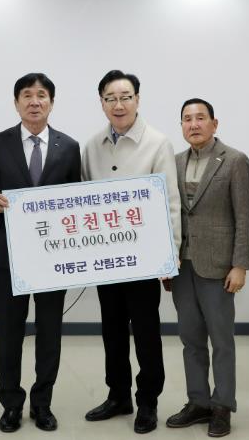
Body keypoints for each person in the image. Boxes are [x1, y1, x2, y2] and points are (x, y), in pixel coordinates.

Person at [82, 69, 181, 434]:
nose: (119, 104)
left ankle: (148, 400)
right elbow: (83, 200)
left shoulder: (158, 143)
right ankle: (118, 395)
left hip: (144, 258)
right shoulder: (92, 146)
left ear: (138, 100)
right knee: (111, 330)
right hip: (106, 259)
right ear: (102, 103)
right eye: (111, 98)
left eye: (125, 97)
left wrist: (170, 254)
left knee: (145, 331)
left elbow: (171, 203)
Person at [0, 73, 81, 433]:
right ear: (16, 103)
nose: (34, 101)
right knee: (10, 332)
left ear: (51, 102)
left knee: (50, 331)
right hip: (11, 255)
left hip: (53, 258)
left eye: (41, 95)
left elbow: (76, 200)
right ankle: (11, 403)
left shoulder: (69, 147)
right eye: (27, 95)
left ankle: (42, 403)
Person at [166, 98, 249, 437]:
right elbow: (168, 214)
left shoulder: (234, 160)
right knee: (190, 339)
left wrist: (240, 265)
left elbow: (244, 218)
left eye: (200, 117)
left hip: (218, 268)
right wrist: (164, 260)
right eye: (187, 119)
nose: (194, 124)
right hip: (182, 266)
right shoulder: (173, 162)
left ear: (214, 124)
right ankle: (198, 402)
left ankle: (222, 406)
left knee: (221, 341)